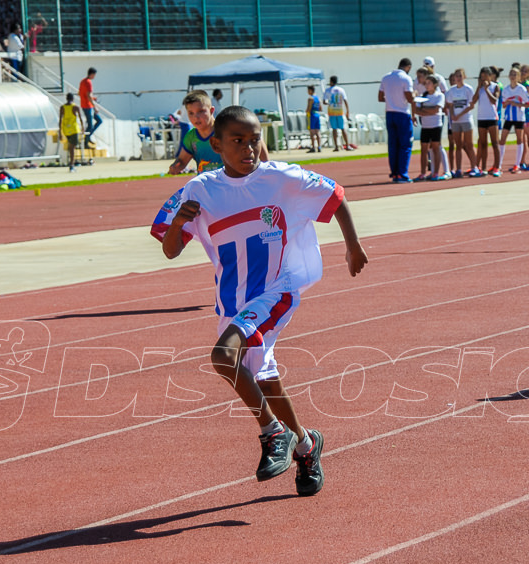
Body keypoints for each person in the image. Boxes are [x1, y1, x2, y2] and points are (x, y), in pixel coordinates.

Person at [151, 106, 368, 496]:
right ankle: (305, 444)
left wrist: (352, 245)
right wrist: (181, 223)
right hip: (232, 301)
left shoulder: (280, 178)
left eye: (255, 140)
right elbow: (169, 250)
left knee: (223, 356)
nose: (249, 148)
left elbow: (334, 195)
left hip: (277, 290)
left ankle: (272, 433)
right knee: (264, 380)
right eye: (238, 141)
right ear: (215, 144)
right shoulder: (200, 189)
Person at [379, 58, 416, 183]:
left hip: (390, 112)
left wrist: (391, 100)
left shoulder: (386, 77)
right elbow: (409, 98)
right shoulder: (406, 78)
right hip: (402, 113)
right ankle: (402, 174)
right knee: (405, 145)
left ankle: (394, 173)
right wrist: (413, 96)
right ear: (408, 67)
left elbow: (380, 97)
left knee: (393, 145)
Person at [446, 68, 479, 177]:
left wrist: (460, 115)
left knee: (469, 144)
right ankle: (458, 169)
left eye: (460, 76)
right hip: (455, 121)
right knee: (458, 145)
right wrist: (453, 115)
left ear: (464, 77)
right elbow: (450, 105)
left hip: (466, 119)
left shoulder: (468, 89)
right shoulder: (451, 91)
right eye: (457, 76)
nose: (458, 78)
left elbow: (471, 105)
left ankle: (474, 167)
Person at [471, 66, 502, 176]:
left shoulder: (495, 87)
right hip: (481, 118)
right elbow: (473, 101)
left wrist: (486, 89)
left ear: (490, 76)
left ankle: (497, 167)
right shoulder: (479, 88)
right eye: (482, 76)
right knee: (483, 144)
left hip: (492, 118)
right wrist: (478, 88)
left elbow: (494, 100)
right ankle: (483, 168)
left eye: (485, 76)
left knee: (495, 143)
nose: (483, 78)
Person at [415, 74, 446, 181]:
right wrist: (427, 111)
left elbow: (436, 110)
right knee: (424, 149)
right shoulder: (423, 96)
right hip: (425, 126)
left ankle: (435, 172)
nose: (427, 85)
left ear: (435, 84)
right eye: (425, 83)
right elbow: (417, 110)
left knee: (436, 148)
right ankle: (423, 173)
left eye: (429, 83)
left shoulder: (439, 96)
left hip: (436, 125)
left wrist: (425, 111)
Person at [324, 75, 355, 152]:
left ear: (331, 81)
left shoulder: (327, 90)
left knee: (334, 129)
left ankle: (336, 147)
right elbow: (345, 100)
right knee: (342, 128)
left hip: (331, 112)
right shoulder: (341, 90)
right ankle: (347, 145)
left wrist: (329, 103)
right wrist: (347, 110)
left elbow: (324, 101)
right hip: (340, 111)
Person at [58, 92, 83, 171]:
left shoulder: (62, 107)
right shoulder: (75, 107)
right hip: (74, 129)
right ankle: (71, 165)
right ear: (73, 99)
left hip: (66, 130)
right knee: (72, 147)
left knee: (71, 147)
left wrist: (60, 132)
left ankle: (72, 163)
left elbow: (60, 120)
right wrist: (83, 128)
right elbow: (80, 118)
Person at [79, 67, 101, 147]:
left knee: (98, 121)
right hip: (88, 106)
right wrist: (95, 106)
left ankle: (88, 137)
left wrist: (93, 99)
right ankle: (86, 141)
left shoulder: (82, 81)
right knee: (91, 125)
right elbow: (88, 95)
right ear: (92, 74)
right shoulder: (88, 82)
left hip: (85, 105)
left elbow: (81, 93)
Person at [305, 85, 322, 153]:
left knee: (312, 132)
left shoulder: (310, 98)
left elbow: (308, 109)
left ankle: (313, 147)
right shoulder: (318, 98)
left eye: (308, 90)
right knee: (317, 131)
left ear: (311, 90)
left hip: (312, 115)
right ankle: (319, 146)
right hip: (317, 114)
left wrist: (306, 111)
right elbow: (320, 109)